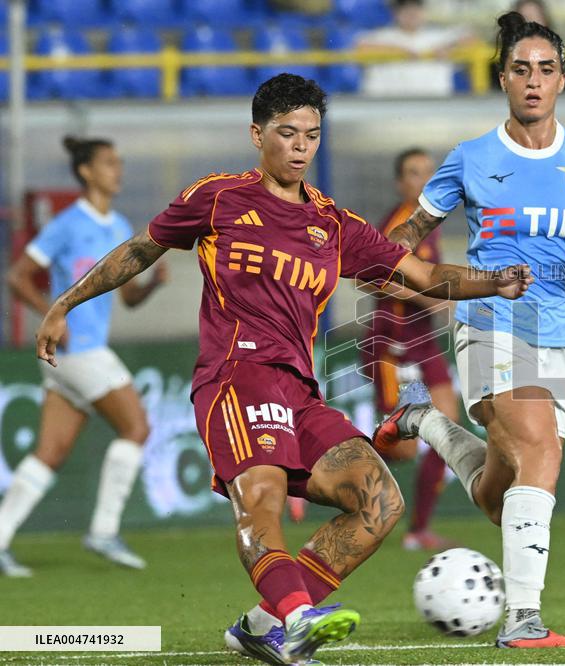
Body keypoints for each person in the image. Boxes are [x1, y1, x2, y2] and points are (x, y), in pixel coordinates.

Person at [34, 73, 532, 666]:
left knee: (378, 502)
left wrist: (493, 282)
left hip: (299, 390)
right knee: (262, 499)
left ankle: (262, 626)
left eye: (312, 135)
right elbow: (140, 249)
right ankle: (297, 618)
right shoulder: (218, 198)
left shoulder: (333, 224)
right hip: (234, 377)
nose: (301, 146)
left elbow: (423, 276)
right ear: (257, 134)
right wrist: (65, 303)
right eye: (287, 132)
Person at [374, 12, 565, 648]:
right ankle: (523, 620)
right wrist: (395, 268)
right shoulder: (472, 158)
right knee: (541, 451)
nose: (534, 81)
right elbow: (404, 237)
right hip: (490, 323)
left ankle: (425, 422)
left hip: (561, 333)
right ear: (503, 79)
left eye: (546, 69)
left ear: (563, 81)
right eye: (522, 69)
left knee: (504, 496)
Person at [0, 136, 167, 578]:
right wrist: (53, 315)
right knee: (137, 426)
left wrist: (151, 285)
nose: (118, 170)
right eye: (109, 163)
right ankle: (104, 530)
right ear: (86, 172)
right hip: (79, 350)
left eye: (119, 162)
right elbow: (17, 277)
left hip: (75, 357)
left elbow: (128, 297)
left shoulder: (119, 226)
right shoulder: (67, 224)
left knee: (50, 453)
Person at [360, 147, 461, 552]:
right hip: (395, 342)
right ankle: (333, 462)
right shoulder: (399, 222)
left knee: (448, 432)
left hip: (425, 343)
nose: (424, 180)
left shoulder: (428, 224)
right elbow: (368, 277)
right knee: (402, 448)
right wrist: (428, 298)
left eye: (429, 172)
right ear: (401, 182)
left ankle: (418, 530)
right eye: (414, 173)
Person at [356, 0, 476, 97]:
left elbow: (471, 39)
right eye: (405, 9)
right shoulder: (382, 36)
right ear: (395, 13)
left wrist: (449, 48)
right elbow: (361, 47)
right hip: (388, 111)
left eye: (416, 8)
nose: (412, 13)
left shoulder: (438, 36)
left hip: (434, 111)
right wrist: (401, 51)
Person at [491, 0, 565, 90]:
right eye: (525, 19)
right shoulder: (497, 60)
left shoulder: (557, 56)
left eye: (535, 20)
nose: (530, 26)